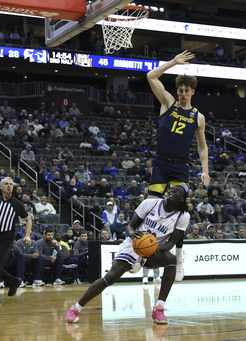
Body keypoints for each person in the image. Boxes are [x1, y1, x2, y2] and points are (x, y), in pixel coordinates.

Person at [66, 185, 189, 324]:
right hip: (133, 245)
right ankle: (75, 308)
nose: (173, 190)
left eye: (178, 191)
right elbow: (130, 227)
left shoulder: (183, 216)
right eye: (172, 188)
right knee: (111, 277)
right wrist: (133, 235)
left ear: (182, 199)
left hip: (153, 251)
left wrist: (157, 249)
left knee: (171, 259)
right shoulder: (150, 203)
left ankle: (159, 308)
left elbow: (172, 242)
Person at [146, 51, 210, 284]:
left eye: (186, 91)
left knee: (181, 212)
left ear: (192, 92)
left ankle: (179, 259)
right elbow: (151, 76)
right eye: (180, 90)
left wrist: (205, 170)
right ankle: (141, 254)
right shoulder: (168, 103)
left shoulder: (198, 117)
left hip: (181, 167)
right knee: (150, 209)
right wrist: (173, 62)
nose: (182, 94)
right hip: (161, 163)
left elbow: (202, 148)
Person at [0, 177, 32, 304]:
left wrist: (27, 235)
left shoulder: (17, 203)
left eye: (11, 184)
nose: (9, 186)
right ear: (1, 187)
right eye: (6, 184)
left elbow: (28, 219)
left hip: (7, 236)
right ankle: (13, 281)